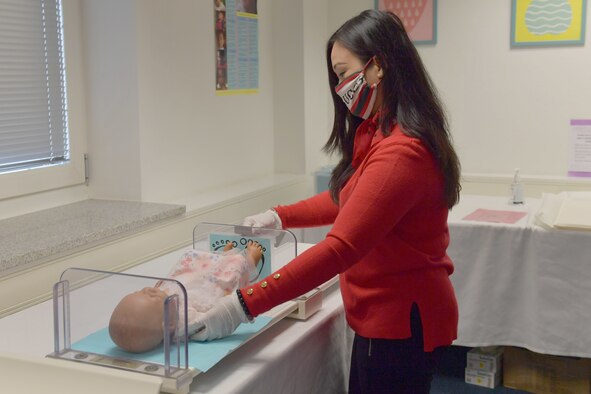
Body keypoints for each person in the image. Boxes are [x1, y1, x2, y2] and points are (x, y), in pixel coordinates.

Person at [192, 9, 462, 393]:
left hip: (400, 321)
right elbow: (349, 199)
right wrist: (279, 216)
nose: (340, 86)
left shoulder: (403, 151)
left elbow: (340, 248)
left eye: (343, 72)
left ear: (377, 67)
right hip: (389, 315)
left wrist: (243, 304)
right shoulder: (381, 132)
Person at [108, 241, 262, 353]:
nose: (148, 289)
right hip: (208, 289)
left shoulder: (165, 307)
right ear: (168, 325)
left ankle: (221, 256)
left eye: (139, 291)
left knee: (191, 259)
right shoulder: (187, 324)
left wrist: (159, 290)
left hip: (191, 280)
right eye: (151, 296)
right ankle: (248, 261)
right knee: (228, 276)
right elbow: (214, 323)